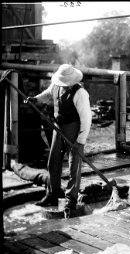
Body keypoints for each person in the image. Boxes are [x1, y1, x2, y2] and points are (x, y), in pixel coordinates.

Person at [26, 64, 92, 213]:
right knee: (53, 162)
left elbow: (87, 119)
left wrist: (80, 141)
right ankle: (53, 194)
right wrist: (35, 99)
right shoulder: (56, 86)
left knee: (73, 166)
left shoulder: (80, 93)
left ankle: (71, 201)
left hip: (73, 129)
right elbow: (47, 93)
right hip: (58, 128)